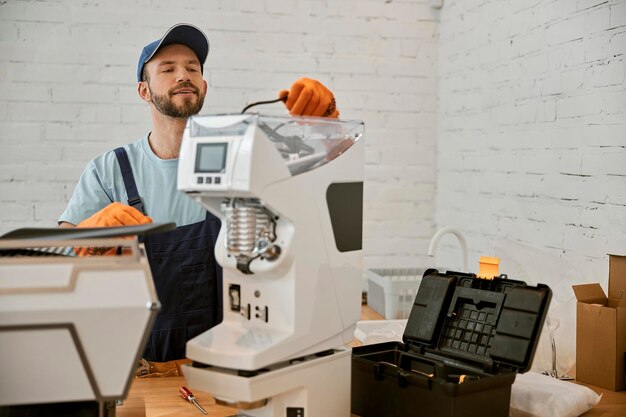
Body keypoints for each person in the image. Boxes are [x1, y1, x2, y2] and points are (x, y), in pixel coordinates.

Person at [58, 23, 340, 376]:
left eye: (193, 68)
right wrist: (87, 238)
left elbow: (320, 187)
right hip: (142, 372)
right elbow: (64, 267)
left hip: (230, 367)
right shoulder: (109, 170)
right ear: (144, 91)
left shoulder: (241, 159)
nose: (183, 75)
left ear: (204, 87)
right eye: (168, 68)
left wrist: (324, 121)